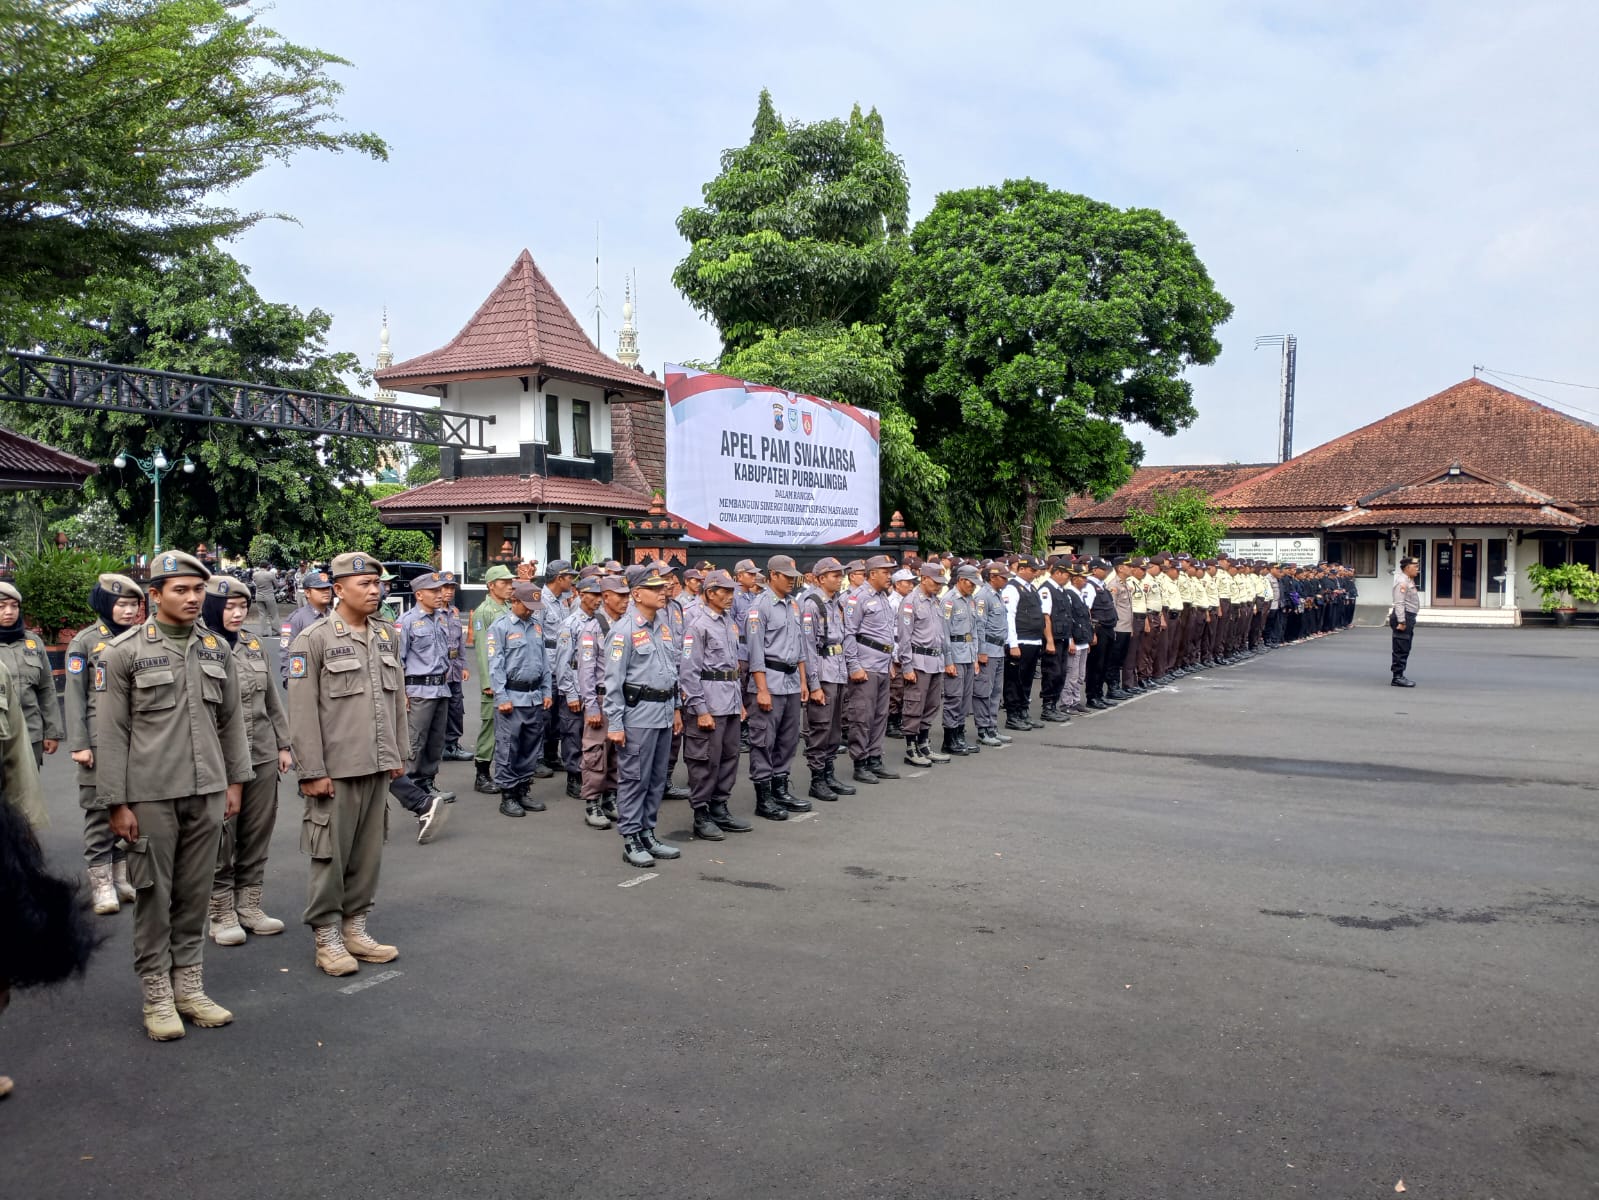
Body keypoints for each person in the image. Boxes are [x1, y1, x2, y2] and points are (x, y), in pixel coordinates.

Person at [96, 551, 252, 1040]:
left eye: (197, 590)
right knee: (153, 895)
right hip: (150, 797)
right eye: (179, 589)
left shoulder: (215, 649)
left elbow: (231, 723)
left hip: (206, 791)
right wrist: (116, 803)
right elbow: (111, 733)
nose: (191, 598)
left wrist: (234, 782)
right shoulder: (122, 653)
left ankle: (189, 987)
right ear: (155, 596)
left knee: (195, 894)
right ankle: (157, 995)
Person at [286, 552, 410, 977]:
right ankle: (327, 938)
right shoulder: (314, 639)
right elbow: (301, 713)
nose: (375, 590)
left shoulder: (386, 635)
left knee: (368, 854)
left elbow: (396, 700)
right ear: (338, 589)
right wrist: (312, 771)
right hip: (336, 768)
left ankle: (356, 928)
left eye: (377, 583)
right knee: (330, 856)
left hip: (377, 762)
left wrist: (398, 753)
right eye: (365, 584)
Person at [201, 576, 293, 946]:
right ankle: (220, 911)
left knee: (257, 830)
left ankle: (249, 904)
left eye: (244, 606)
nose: (239, 614)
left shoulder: (253, 644)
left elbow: (272, 698)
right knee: (222, 836)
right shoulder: (200, 647)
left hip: (262, 751)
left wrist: (284, 744)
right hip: (219, 758)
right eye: (230, 607)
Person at [64, 573, 145, 914]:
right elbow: (74, 696)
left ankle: (120, 876)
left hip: (137, 739)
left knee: (131, 810)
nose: (128, 612)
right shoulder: (84, 643)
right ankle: (101, 885)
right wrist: (79, 743)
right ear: (104, 605)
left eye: (133, 605)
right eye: (120, 604)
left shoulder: (141, 640)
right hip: (98, 741)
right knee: (100, 812)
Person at [604, 568, 684, 868]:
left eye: (664, 587)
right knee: (634, 779)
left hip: (662, 713)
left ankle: (648, 832)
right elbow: (612, 682)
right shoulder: (623, 631)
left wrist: (676, 708)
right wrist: (614, 724)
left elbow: (671, 671)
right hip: (637, 716)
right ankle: (631, 837)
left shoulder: (662, 626)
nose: (663, 591)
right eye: (655, 588)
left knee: (655, 780)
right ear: (637, 594)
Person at [678, 569, 752, 839]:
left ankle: (720, 807)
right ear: (710, 593)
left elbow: (732, 666)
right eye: (726, 591)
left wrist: (740, 702)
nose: (731, 596)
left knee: (730, 757)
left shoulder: (727, 622)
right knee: (705, 760)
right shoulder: (697, 625)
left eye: (733, 591)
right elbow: (688, 672)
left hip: (729, 700)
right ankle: (701, 813)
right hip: (709, 702)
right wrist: (700, 709)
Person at [745, 555, 812, 819]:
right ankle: (764, 798)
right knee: (764, 740)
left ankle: (780, 787)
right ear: (773, 575)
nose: (792, 582)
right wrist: (761, 689)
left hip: (792, 680)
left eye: (793, 577)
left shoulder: (793, 604)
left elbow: (801, 647)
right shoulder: (759, 606)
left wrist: (804, 681)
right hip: (769, 680)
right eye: (786, 576)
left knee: (788, 739)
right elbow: (755, 652)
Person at [486, 581, 553, 818]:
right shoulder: (500, 627)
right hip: (512, 699)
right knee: (508, 748)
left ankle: (523, 789)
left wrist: (547, 692)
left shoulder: (535, 627)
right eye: (527, 606)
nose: (531, 611)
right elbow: (495, 665)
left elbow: (544, 662)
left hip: (534, 697)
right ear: (515, 601)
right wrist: (501, 696)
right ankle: (509, 795)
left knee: (530, 748)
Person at [394, 573, 456, 812]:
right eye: (434, 591)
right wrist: (403, 694)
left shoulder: (441, 618)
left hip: (441, 687)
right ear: (419, 595)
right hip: (418, 689)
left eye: (441, 591)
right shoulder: (407, 622)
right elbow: (398, 660)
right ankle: (409, 788)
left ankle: (427, 783)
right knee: (415, 742)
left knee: (435, 741)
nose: (440, 595)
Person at [799, 557, 856, 802]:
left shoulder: (836, 603)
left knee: (834, 728)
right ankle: (817, 778)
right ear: (821, 578)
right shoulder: (811, 603)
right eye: (834, 575)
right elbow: (808, 647)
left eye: (840, 574)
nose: (839, 578)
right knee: (820, 728)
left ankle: (829, 773)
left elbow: (844, 638)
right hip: (822, 672)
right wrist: (813, 685)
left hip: (838, 669)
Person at [843, 555, 902, 784]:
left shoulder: (883, 597)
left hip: (882, 664)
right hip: (865, 666)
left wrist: (890, 663)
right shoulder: (857, 598)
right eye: (885, 572)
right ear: (873, 573)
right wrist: (854, 665)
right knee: (862, 716)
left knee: (880, 716)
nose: (890, 576)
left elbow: (886, 633)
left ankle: (875, 759)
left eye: (890, 572)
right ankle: (860, 762)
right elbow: (849, 633)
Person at [577, 576, 629, 830]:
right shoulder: (593, 628)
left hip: (623, 698)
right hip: (600, 696)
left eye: (627, 595)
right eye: (620, 595)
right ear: (606, 597)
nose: (625, 600)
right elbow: (586, 670)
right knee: (596, 753)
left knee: (618, 753)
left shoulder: (628, 625)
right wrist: (591, 705)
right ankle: (592, 802)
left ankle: (610, 797)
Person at [897, 562, 954, 768]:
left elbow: (943, 635)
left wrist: (947, 661)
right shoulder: (911, 602)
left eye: (941, 583)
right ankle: (911, 747)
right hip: (918, 661)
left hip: (936, 661)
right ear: (923, 579)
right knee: (914, 705)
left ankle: (924, 743)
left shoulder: (936, 602)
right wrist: (907, 666)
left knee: (931, 705)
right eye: (935, 582)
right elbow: (904, 638)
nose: (939, 586)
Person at [0, 584, 62, 771]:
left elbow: (46, 689)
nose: (9, 612)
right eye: (1, 607)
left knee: (27, 795)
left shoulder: (33, 643)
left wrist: (52, 731)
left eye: (14, 606)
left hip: (30, 733)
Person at [553, 574, 600, 801]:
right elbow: (562, 663)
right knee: (572, 733)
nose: (598, 599)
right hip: (574, 686)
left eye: (601, 595)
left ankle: (590, 775)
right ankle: (573, 776)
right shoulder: (570, 624)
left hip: (591, 686)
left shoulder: (600, 622)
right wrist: (570, 693)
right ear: (581, 595)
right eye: (593, 595)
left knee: (590, 736)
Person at [471, 564, 515, 794]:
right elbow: (481, 649)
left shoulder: (509, 607)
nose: (510, 586)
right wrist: (488, 683)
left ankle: (506, 772)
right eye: (504, 582)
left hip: (510, 679)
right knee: (490, 727)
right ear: (491, 586)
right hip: (495, 683)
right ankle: (482, 773)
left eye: (510, 582)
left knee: (509, 728)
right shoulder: (484, 612)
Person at [1001, 558, 1049, 730]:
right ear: (1021, 569)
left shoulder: (1032, 587)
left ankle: (1023, 712)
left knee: (1027, 680)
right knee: (1015, 681)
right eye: (1032, 569)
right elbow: (1009, 617)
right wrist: (1012, 643)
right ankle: (1013, 715)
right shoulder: (1012, 588)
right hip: (1020, 641)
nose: (1036, 573)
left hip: (1033, 640)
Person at [940, 564, 982, 757]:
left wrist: (974, 657)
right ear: (961, 580)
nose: (973, 587)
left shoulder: (970, 600)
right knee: (953, 698)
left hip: (967, 654)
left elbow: (973, 630)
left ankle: (959, 735)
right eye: (970, 583)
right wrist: (948, 660)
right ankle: (949, 739)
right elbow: (944, 633)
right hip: (955, 654)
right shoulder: (949, 601)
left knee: (965, 700)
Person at [437, 573, 473, 762]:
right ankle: (435, 748)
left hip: (454, 668)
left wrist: (464, 665)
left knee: (456, 708)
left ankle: (452, 745)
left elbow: (459, 644)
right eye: (445, 587)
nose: (449, 592)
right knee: (437, 711)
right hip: (438, 670)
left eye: (452, 588)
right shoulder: (433, 613)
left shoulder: (455, 612)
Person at [279, 569, 333, 684]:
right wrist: (289, 680)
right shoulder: (295, 619)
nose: (326, 592)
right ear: (307, 593)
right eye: (320, 589)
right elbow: (285, 650)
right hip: (309, 679)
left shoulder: (334, 616)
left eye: (328, 588)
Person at [1390, 556, 1421, 687]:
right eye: (1415, 566)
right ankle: (1397, 677)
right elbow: (1399, 602)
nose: (1417, 569)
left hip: (1408, 616)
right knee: (1401, 646)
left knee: (1405, 646)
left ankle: (1400, 674)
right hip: (1403, 617)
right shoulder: (1402, 581)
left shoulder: (1408, 580)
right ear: (1407, 567)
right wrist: (1402, 622)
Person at [248, 562, 279, 632]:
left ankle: (263, 632)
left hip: (258, 596)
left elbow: (255, 583)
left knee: (262, 615)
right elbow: (277, 585)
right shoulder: (270, 574)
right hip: (269, 596)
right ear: (267, 566)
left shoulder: (255, 574)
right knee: (273, 614)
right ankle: (275, 631)